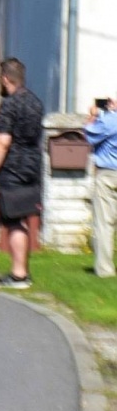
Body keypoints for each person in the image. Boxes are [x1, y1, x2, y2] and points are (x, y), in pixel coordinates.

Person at [0, 58, 44, 289]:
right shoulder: (35, 102)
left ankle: (19, 275)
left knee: (13, 221)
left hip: (13, 168)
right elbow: (26, 132)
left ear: (5, 78)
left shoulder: (9, 104)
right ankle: (22, 272)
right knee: (23, 218)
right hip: (32, 167)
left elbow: (3, 142)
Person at [86, 94, 117, 278]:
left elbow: (89, 136)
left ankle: (105, 270)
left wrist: (93, 115)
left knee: (104, 224)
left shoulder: (109, 120)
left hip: (107, 173)